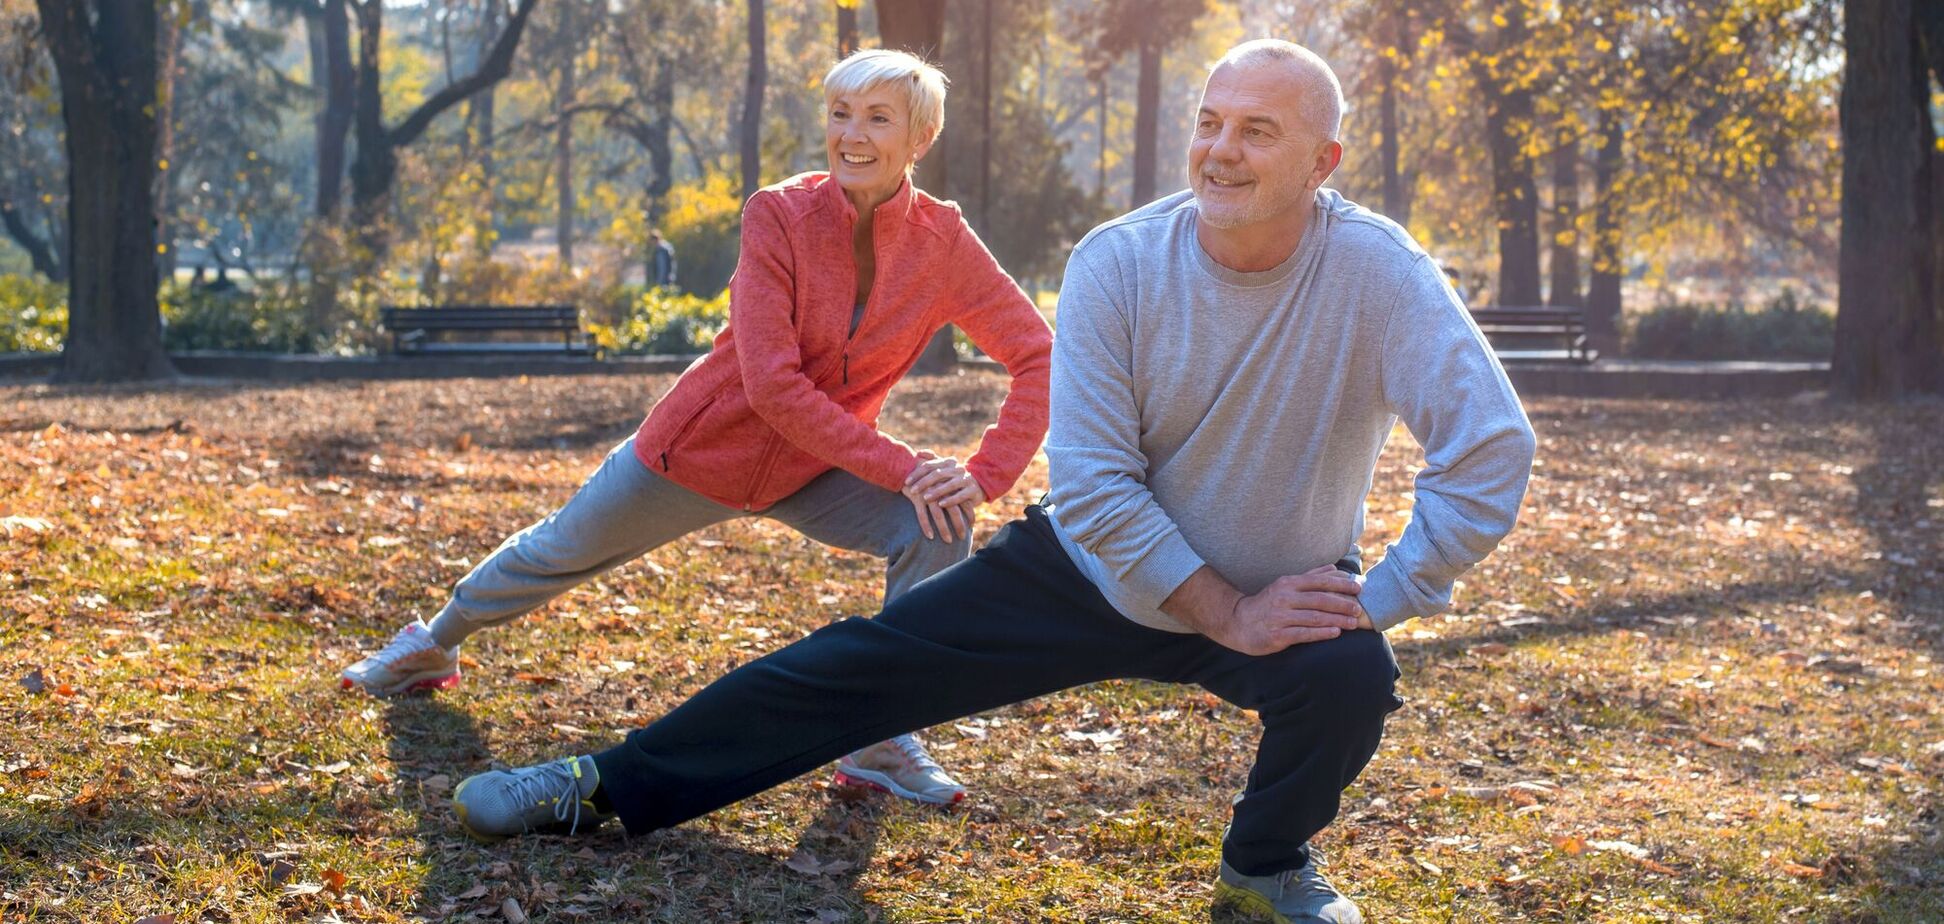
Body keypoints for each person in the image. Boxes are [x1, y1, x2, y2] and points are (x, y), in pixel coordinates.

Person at [446, 40, 1535, 924]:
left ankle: (1265, 865)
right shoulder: (1120, 261)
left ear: (1323, 161)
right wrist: (1224, 610)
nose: (1221, 149)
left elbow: (1489, 448)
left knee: (1349, 683)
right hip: (1091, 569)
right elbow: (1100, 486)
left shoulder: (1380, 273)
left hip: (1279, 586)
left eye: (1259, 130)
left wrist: (1372, 600)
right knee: (852, 669)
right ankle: (601, 785)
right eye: (1209, 120)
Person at [342, 48, 1054, 808]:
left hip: (816, 469)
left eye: (878, 118)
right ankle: (433, 642)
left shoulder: (943, 243)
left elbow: (1040, 355)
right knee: (557, 549)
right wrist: (904, 464)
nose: (852, 133)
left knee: (938, 522)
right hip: (700, 453)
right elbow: (774, 388)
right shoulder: (778, 215)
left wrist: (980, 475)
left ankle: (879, 734)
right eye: (840, 113)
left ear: (920, 138)